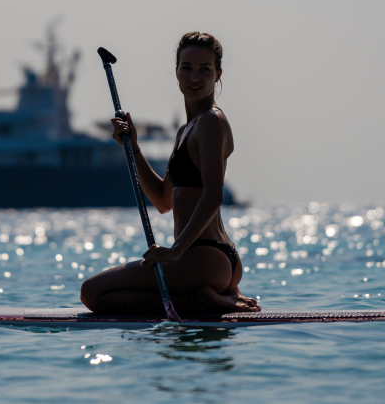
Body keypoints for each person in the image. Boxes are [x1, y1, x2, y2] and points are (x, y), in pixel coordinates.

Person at [80, 32, 260, 315]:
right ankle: (205, 294)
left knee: (91, 293)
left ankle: (202, 299)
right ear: (176, 71)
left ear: (218, 74)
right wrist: (134, 149)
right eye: (186, 68)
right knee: (106, 299)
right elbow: (164, 201)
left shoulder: (212, 121)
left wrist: (176, 250)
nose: (194, 77)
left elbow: (213, 196)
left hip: (203, 257)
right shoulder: (184, 131)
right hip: (208, 260)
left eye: (205, 69)